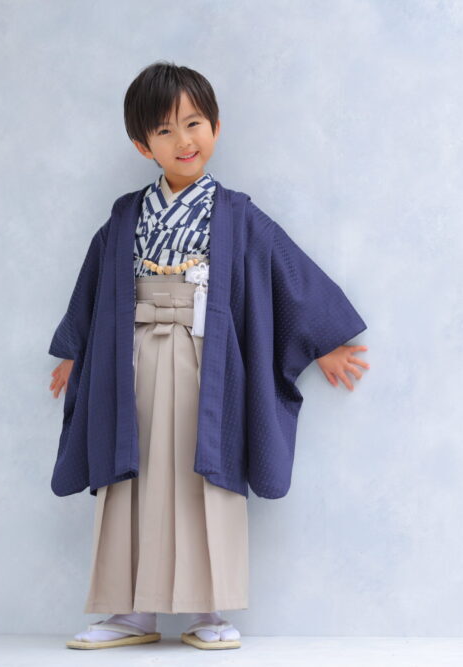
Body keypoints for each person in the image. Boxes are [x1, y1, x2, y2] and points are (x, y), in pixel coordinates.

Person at [48, 61, 369, 651]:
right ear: (142, 145)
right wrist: (74, 350)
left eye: (193, 123)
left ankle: (207, 609)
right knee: (131, 475)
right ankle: (130, 612)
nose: (183, 140)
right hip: (132, 360)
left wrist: (325, 339)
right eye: (164, 130)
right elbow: (94, 283)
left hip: (207, 360)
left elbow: (285, 267)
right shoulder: (125, 217)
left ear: (216, 127)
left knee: (206, 472)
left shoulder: (237, 214)